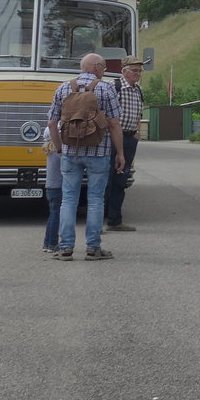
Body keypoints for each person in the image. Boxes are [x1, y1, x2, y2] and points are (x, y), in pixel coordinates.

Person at [47, 53, 124, 261]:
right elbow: (115, 124)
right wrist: (121, 153)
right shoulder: (106, 88)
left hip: (71, 152)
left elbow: (52, 124)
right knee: (96, 199)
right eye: (104, 66)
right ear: (97, 67)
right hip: (99, 152)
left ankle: (65, 248)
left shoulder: (63, 88)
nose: (105, 70)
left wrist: (60, 148)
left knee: (68, 199)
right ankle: (93, 248)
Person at [105, 55, 144, 232]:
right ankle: (98, 222)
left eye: (140, 71)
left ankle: (115, 221)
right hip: (112, 139)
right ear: (124, 71)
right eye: (134, 71)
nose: (138, 74)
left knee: (121, 180)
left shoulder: (138, 90)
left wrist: (137, 132)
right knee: (106, 180)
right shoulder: (114, 87)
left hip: (129, 140)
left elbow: (139, 113)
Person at [41, 126, 61, 253]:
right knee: (56, 215)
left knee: (52, 214)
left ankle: (47, 243)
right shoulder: (57, 155)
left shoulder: (49, 153)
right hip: (58, 187)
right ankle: (53, 243)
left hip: (50, 187)